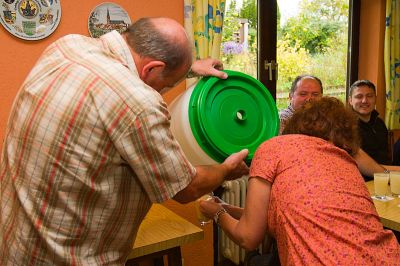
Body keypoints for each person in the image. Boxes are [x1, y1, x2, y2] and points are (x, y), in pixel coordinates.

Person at [0, 17, 249, 265]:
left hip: (15, 243)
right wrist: (226, 169)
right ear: (152, 68)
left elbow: (137, 65)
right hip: (63, 258)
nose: (165, 89)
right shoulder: (139, 103)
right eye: (168, 83)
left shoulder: (68, 46)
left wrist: (190, 67)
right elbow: (187, 189)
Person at [200, 97, 400, 265]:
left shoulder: (274, 147)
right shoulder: (347, 163)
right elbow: (284, 217)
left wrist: (217, 213)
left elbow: (248, 237)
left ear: (299, 123)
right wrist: (226, 207)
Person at [348, 80, 390, 166]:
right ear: (350, 100)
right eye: (359, 96)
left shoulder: (380, 123)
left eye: (369, 96)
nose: (364, 101)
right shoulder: (346, 126)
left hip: (384, 175)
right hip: (360, 177)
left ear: (375, 99)